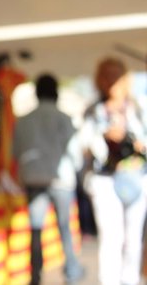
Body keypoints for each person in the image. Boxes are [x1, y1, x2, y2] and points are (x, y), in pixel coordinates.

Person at [79, 57, 147, 285]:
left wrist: (137, 144)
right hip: (105, 179)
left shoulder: (138, 107)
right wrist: (103, 136)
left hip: (136, 177)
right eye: (106, 74)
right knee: (111, 237)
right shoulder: (93, 110)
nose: (111, 80)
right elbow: (82, 144)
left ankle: (130, 280)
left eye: (115, 74)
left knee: (133, 238)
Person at [13, 74, 85, 285]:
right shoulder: (63, 118)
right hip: (61, 180)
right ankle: (71, 271)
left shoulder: (24, 120)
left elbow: (16, 152)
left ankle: (35, 275)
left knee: (36, 229)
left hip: (34, 179)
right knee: (65, 227)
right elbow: (75, 153)